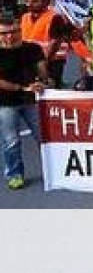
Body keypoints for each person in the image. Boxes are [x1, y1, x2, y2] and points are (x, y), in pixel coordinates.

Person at [0, 16, 48, 190]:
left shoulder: (32, 49)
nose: (10, 37)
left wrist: (42, 81)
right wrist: (22, 88)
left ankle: (53, 171)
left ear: (20, 31)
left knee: (44, 137)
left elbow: (42, 70)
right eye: (4, 33)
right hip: (5, 103)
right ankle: (15, 174)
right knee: (11, 141)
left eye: (14, 32)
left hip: (31, 101)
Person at [19, 0, 70, 87]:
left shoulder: (54, 17)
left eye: (34, 1)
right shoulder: (25, 17)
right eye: (28, 1)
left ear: (45, 2)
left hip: (52, 61)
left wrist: (43, 62)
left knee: (50, 89)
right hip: (31, 61)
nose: (30, 4)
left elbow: (55, 42)